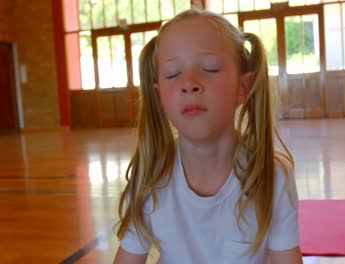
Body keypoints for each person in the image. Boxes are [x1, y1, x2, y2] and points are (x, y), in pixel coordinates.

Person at [113, 8, 302, 264]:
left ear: (243, 88)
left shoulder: (273, 176)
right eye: (172, 74)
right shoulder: (149, 176)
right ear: (160, 97)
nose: (189, 82)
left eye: (210, 69)